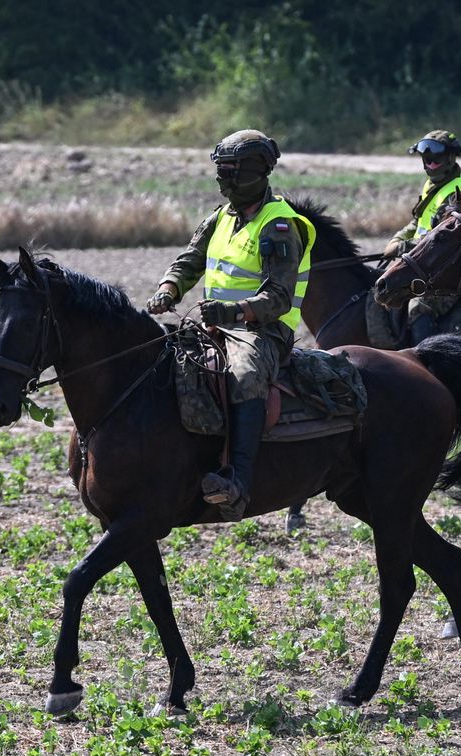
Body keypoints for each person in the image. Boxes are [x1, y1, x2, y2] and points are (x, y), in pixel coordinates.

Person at [145, 128, 313, 521]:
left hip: (263, 332)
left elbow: (278, 299)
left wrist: (233, 313)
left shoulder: (280, 226)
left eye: (231, 172)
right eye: (221, 171)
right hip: (214, 325)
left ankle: (238, 480)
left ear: (258, 172)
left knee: (245, 374)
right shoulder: (220, 217)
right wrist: (169, 288)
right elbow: (190, 259)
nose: (223, 180)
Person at [382, 130, 461, 344]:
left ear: (451, 157)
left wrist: (401, 249)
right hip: (424, 263)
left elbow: (441, 243)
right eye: (425, 156)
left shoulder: (457, 193)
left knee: (419, 305)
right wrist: (397, 238)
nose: (430, 161)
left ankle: (429, 360)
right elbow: (417, 222)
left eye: (436, 156)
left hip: (449, 270)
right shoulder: (433, 187)